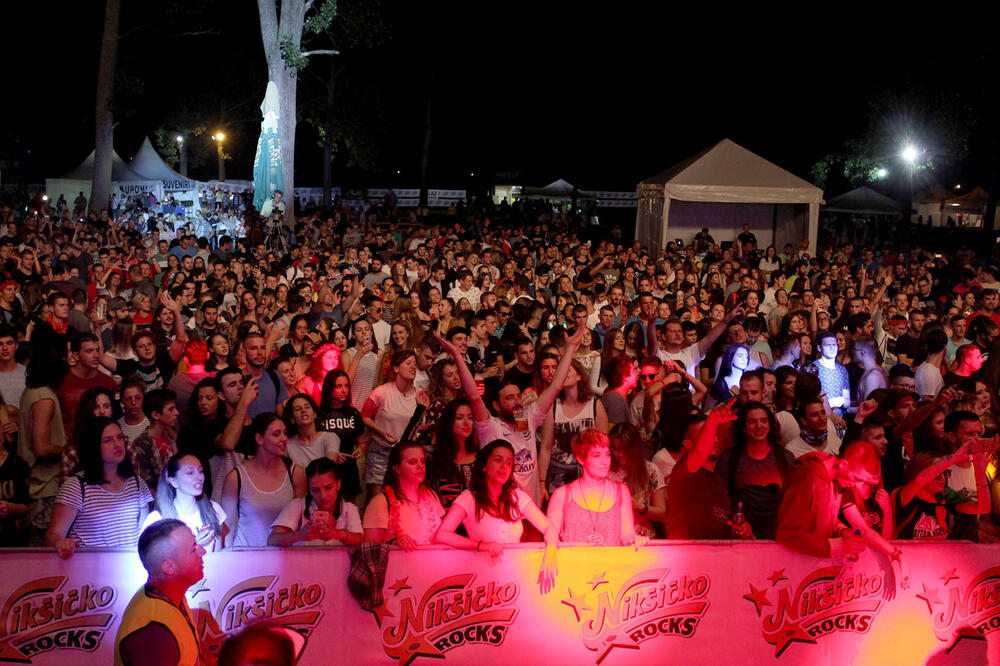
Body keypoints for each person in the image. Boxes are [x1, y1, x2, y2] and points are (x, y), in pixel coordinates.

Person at [439, 326, 586, 508]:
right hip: (503, 510)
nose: (517, 401)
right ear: (496, 406)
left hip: (531, 508)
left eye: (518, 396)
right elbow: (474, 397)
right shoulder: (490, 428)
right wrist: (457, 356)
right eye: (509, 398)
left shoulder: (527, 418)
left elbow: (556, 386)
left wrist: (570, 348)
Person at [435, 440, 557, 590]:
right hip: (481, 580)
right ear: (484, 466)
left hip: (514, 578)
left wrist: (551, 549)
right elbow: (442, 535)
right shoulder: (469, 498)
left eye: (509, 462)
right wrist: (480, 545)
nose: (504, 467)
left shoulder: (517, 496)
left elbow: (549, 527)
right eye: (498, 460)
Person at [45, 417, 154, 557]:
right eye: (108, 440)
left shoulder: (137, 483)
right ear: (94, 446)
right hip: (90, 569)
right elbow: (52, 536)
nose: (117, 444)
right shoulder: (76, 487)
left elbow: (144, 532)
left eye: (120, 438)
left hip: (129, 567)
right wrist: (61, 543)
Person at [114, 519, 208, 666]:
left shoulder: (172, 598)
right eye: (193, 548)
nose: (203, 551)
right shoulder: (154, 634)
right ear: (169, 567)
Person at [775, 440, 881, 558]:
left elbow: (821, 520)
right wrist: (833, 546)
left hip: (814, 563)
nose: (857, 487)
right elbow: (788, 532)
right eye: (857, 479)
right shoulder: (806, 477)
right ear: (843, 465)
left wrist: (843, 531)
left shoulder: (836, 481)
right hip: (793, 562)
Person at [545, 428, 643, 546]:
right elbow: (551, 540)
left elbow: (627, 535)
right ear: (581, 459)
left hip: (612, 563)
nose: (605, 462)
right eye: (597, 456)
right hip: (574, 563)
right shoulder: (562, 495)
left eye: (607, 455)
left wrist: (634, 540)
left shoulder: (621, 491)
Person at [221, 413, 306, 547]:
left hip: (283, 559)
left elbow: (300, 523)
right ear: (259, 438)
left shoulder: (296, 473)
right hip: (246, 556)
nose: (284, 438)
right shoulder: (236, 477)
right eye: (276, 434)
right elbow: (227, 526)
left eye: (284, 433)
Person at [360, 350, 426, 499]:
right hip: (380, 451)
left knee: (401, 498)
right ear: (396, 368)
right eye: (408, 363)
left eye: (415, 364)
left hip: (404, 454)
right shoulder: (381, 392)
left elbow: (417, 425)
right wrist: (382, 431)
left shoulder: (420, 395)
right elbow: (364, 417)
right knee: (377, 499)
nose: (413, 367)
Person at [539, 359, 608, 498]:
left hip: (588, 475)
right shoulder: (553, 407)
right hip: (559, 477)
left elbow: (603, 446)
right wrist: (541, 483)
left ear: (579, 376)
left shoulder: (594, 406)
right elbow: (546, 447)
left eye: (567, 370)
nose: (563, 373)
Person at [362, 441, 444, 549]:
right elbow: (370, 550)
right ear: (397, 468)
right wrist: (394, 543)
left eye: (423, 461)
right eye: (412, 462)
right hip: (398, 564)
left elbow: (443, 536)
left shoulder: (431, 496)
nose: (420, 466)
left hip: (433, 563)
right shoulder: (380, 502)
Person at [268, 457, 363, 547]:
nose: (323, 496)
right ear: (309, 489)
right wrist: (298, 535)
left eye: (329, 488)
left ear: (338, 484)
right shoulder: (298, 506)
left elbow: (360, 538)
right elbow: (272, 540)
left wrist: (340, 534)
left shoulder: (349, 509)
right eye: (316, 490)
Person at [143, 453, 228, 551]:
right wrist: (193, 546)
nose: (199, 477)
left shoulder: (213, 509)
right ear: (173, 481)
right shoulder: (157, 519)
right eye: (190, 472)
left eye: (200, 471)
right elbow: (154, 562)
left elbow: (222, 552)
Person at [608, 423, 666, 539]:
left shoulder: (650, 470)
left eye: (625, 449)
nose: (620, 454)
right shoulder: (604, 470)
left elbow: (662, 514)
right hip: (612, 537)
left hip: (643, 538)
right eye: (615, 449)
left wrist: (640, 507)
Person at [318, 369, 364, 501]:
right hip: (327, 470)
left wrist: (360, 449)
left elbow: (362, 442)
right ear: (329, 388)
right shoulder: (319, 414)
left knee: (349, 511)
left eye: (346, 386)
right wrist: (333, 455)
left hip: (349, 470)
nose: (344, 390)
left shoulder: (353, 413)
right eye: (338, 386)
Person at [426, 399, 478, 509]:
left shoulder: (479, 458)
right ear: (449, 422)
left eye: (470, 417)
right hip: (441, 520)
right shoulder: (432, 457)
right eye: (459, 418)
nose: (466, 422)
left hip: (474, 522)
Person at [283, 393, 342, 469]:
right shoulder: (287, 445)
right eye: (298, 409)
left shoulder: (330, 437)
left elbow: (329, 469)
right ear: (292, 419)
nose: (303, 410)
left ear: (315, 414)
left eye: (307, 407)